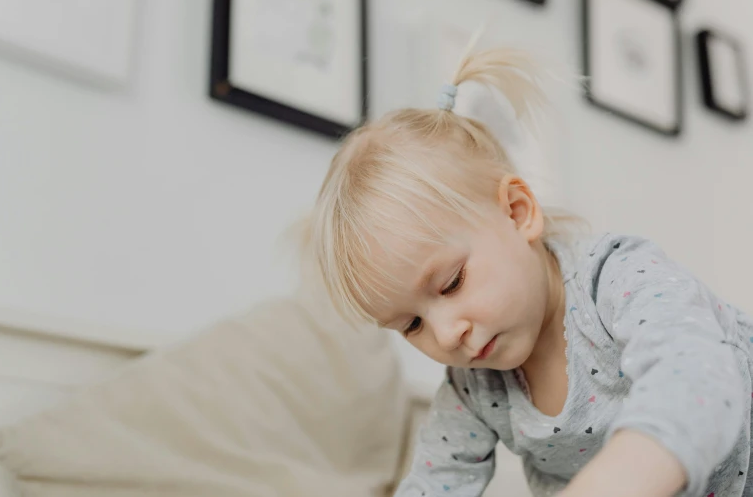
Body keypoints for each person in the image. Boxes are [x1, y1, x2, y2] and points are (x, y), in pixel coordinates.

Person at [301, 37, 753, 497]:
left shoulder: (617, 279)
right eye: (412, 324)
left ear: (518, 213)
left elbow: (696, 378)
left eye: (452, 283)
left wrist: (616, 481)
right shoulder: (474, 387)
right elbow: (436, 481)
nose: (444, 335)